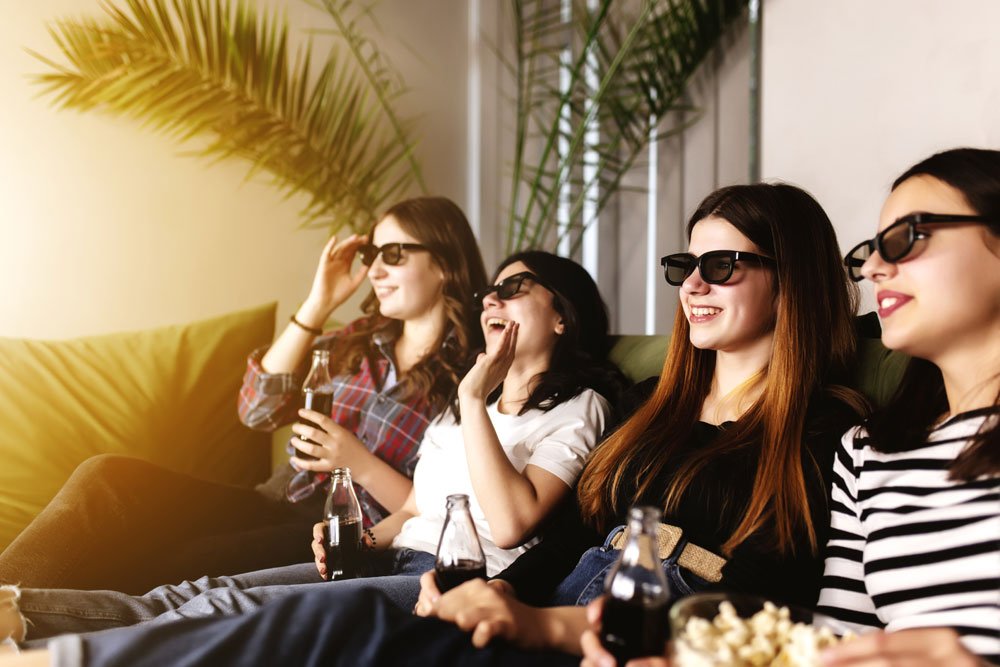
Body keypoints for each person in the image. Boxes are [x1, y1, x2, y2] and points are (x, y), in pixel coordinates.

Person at [12, 182, 872, 666]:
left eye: (723, 263)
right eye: (686, 263)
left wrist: (508, 589)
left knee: (324, 617)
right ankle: (21, 616)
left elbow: (764, 595)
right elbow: (567, 533)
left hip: (598, 612)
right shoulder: (661, 413)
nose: (693, 284)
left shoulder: (823, 428)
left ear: (790, 276)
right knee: (207, 578)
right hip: (534, 580)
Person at [0, 250, 625, 647]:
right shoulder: (468, 400)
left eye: (514, 288)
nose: (493, 297)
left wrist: (468, 399)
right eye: (491, 290)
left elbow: (513, 522)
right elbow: (414, 511)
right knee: (196, 588)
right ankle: (15, 611)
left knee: (225, 605)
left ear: (562, 316)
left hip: (450, 579)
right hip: (390, 555)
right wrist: (358, 541)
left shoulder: (578, 408)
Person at [0, 196, 488, 595]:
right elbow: (256, 410)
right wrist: (319, 303)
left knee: (168, 560)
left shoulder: (471, 380)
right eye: (372, 254)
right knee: (106, 476)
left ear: (444, 263)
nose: (376, 270)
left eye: (394, 254)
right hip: (275, 496)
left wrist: (356, 461)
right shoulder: (357, 339)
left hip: (337, 536)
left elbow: (440, 501)